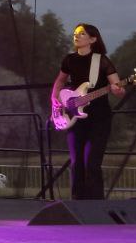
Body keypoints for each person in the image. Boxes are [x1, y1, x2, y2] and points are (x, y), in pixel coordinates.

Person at [50, 23, 126, 200]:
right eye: (75, 33)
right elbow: (60, 82)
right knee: (76, 162)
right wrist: (54, 99)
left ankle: (96, 204)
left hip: (99, 118)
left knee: (91, 162)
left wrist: (118, 90)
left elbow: (118, 88)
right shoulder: (69, 60)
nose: (76, 36)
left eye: (82, 34)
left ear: (92, 39)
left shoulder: (102, 61)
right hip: (75, 118)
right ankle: (78, 202)